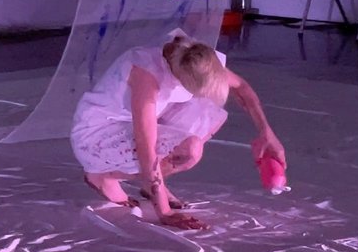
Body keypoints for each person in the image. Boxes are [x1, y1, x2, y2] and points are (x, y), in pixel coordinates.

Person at [71, 31, 284, 231]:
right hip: (97, 134)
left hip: (136, 121)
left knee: (209, 111)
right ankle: (101, 175)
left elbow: (242, 88)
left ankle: (150, 185)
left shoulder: (198, 59)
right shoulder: (147, 76)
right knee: (191, 150)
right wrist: (164, 211)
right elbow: (146, 148)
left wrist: (267, 133)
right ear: (180, 79)